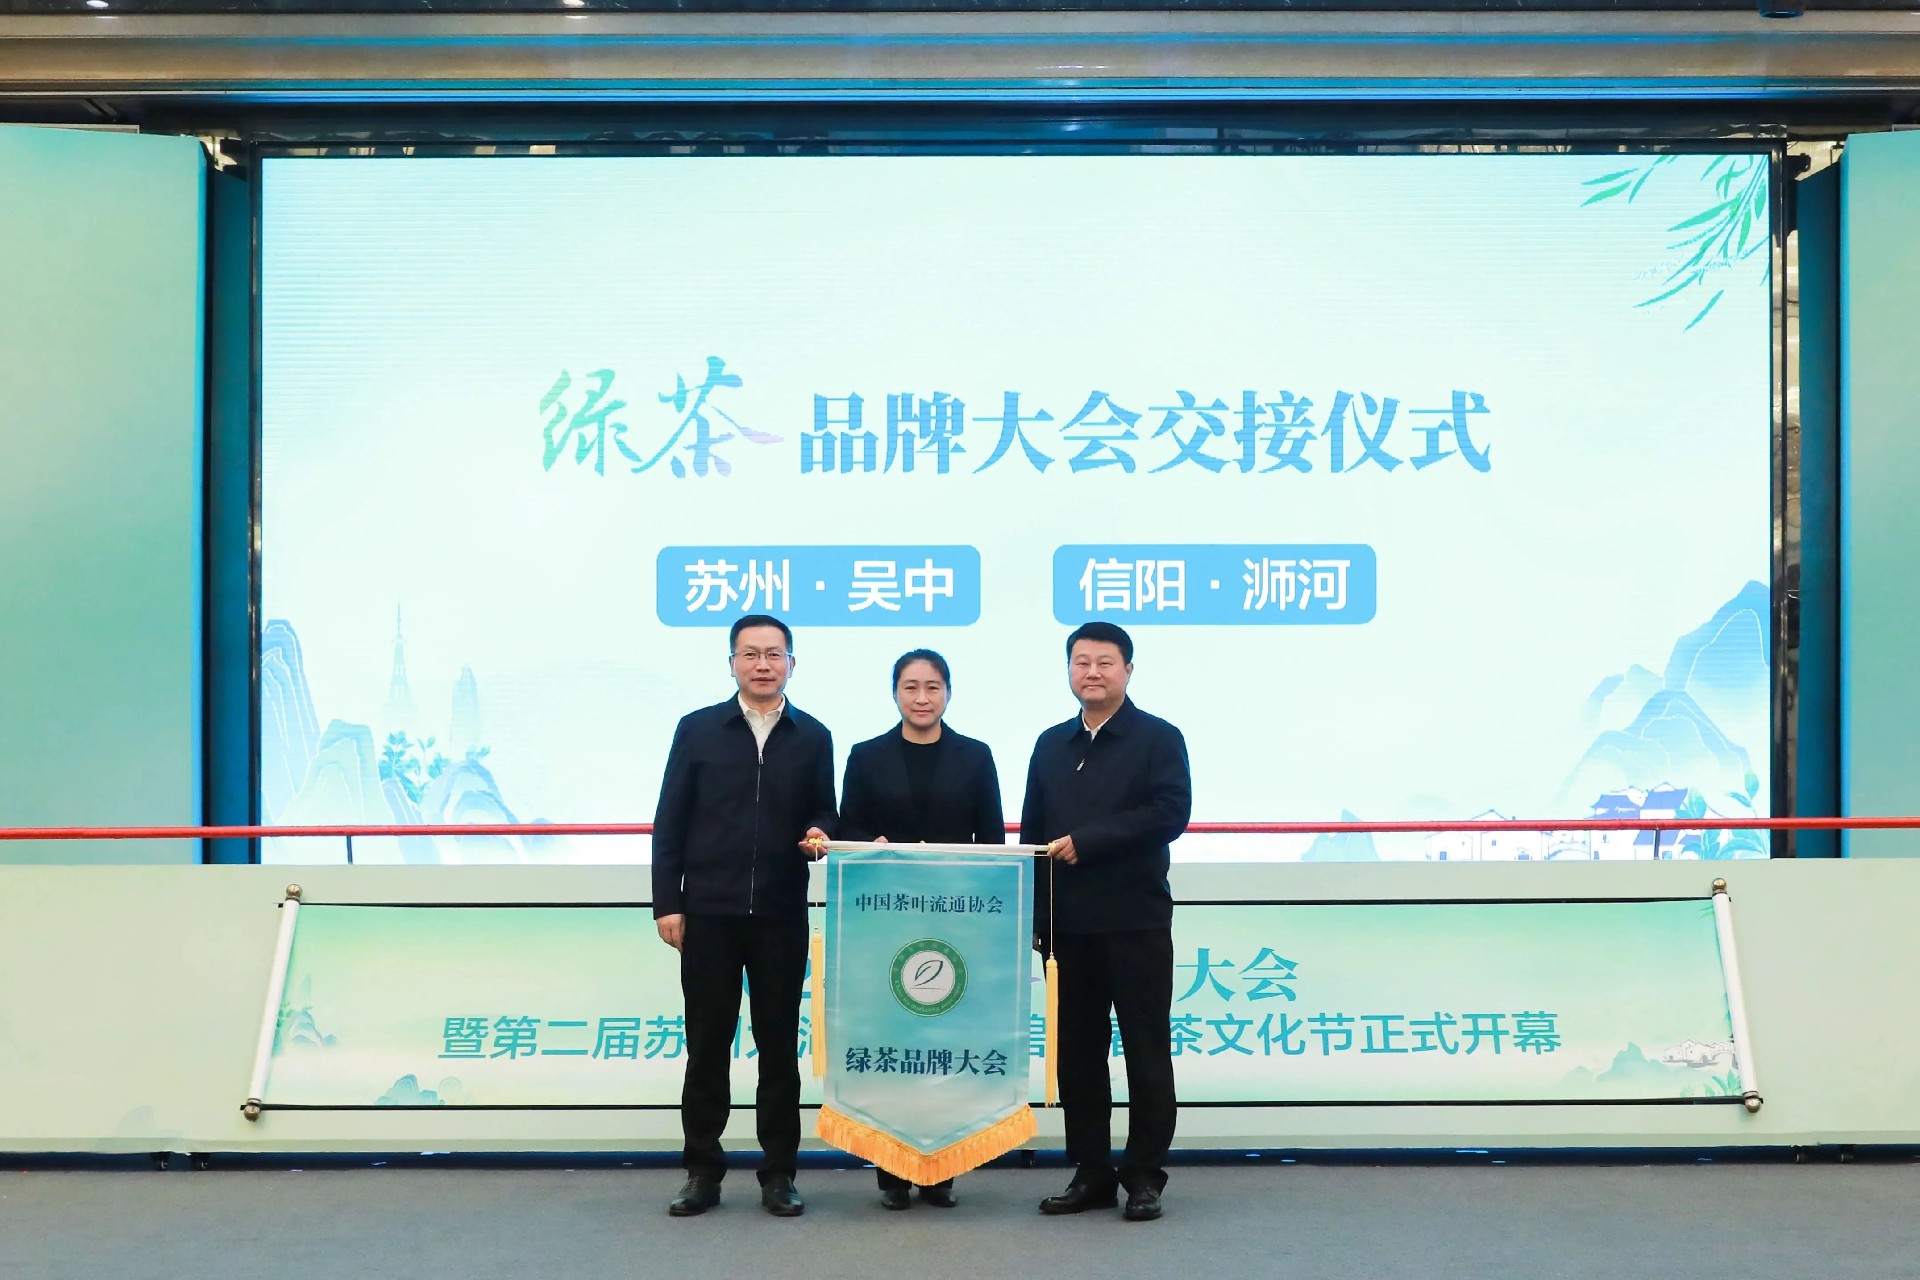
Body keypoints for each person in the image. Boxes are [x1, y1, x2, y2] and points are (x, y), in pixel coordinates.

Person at [652, 613, 837, 1219]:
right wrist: (668, 902)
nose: (763, 664)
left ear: (792, 664)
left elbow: (825, 812)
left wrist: (820, 832)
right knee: (707, 1047)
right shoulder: (698, 729)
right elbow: (670, 820)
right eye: (750, 654)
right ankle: (701, 1172)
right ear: (731, 662)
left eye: (774, 654)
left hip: (780, 913)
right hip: (708, 912)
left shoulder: (813, 736)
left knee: (779, 1048)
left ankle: (779, 1173)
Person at [1020, 621, 1191, 1223]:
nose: (1091, 673)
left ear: (1128, 671)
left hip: (1135, 921)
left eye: (1104, 663)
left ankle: (1144, 1175)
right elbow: (1035, 835)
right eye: (1081, 662)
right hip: (1069, 929)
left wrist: (1089, 841)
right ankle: (1091, 1172)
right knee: (1078, 1057)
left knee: (1146, 1052)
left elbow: (1171, 813)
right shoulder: (1050, 744)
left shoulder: (1158, 738)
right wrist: (1038, 918)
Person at [838, 648, 1006, 1211]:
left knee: (947, 1043)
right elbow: (850, 829)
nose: (921, 697)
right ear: (895, 693)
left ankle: (942, 1170)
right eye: (910, 687)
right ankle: (891, 1170)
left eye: (932, 687)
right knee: (894, 1042)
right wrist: (872, 846)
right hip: (886, 921)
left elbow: (993, 844)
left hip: (958, 922)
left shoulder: (976, 756)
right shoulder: (866, 756)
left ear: (948, 693)